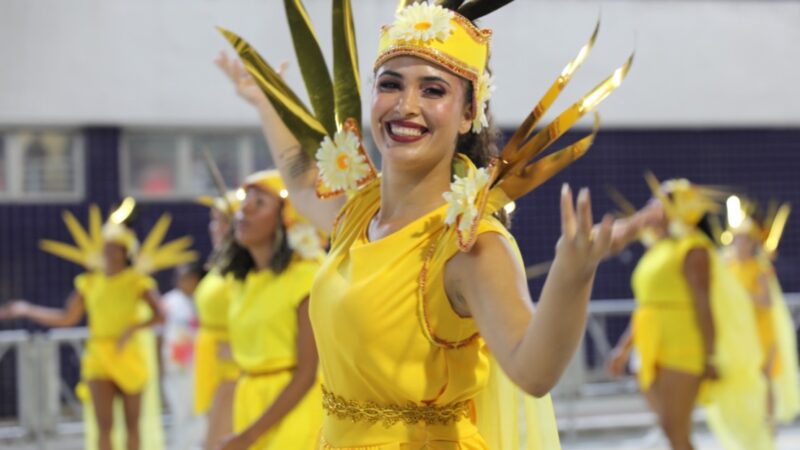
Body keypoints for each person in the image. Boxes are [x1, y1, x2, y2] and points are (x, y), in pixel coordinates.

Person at [216, 2, 643, 448]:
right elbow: (302, 181)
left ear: (467, 114)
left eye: (433, 90)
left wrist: (571, 277)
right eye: (391, 84)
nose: (406, 106)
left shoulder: (470, 245)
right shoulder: (360, 211)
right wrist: (265, 100)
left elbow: (532, 370)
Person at [0, 202, 195, 450]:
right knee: (105, 427)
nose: (110, 253)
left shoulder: (137, 281)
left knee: (132, 426)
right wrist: (27, 309)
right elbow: (67, 318)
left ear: (125, 252)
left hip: (129, 354)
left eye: (115, 248)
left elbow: (161, 315)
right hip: (99, 355)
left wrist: (132, 329)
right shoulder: (89, 282)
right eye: (107, 247)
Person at [608, 177, 772, 450]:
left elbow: (703, 304)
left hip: (681, 348)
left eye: (662, 201)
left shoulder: (693, 249)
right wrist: (624, 348)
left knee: (675, 429)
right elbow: (647, 306)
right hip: (650, 345)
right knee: (668, 428)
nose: (652, 206)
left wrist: (710, 355)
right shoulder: (658, 248)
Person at [216, 170, 325, 450]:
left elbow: (307, 373)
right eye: (244, 202)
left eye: (259, 203)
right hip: (250, 402)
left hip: (296, 406)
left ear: (287, 218)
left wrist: (249, 436)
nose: (244, 211)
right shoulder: (244, 281)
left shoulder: (306, 277)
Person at [723, 198, 799, 426]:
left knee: (764, 378)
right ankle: (747, 422)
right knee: (742, 378)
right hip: (739, 331)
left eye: (746, 240)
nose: (741, 244)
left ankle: (767, 425)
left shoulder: (760, 268)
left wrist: (742, 297)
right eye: (738, 239)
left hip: (761, 330)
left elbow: (766, 301)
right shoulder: (729, 267)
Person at [194, 192, 242, 450]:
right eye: (214, 221)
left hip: (233, 366)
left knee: (218, 442)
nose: (216, 228)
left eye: (224, 221)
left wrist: (237, 350)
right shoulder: (219, 264)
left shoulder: (244, 267)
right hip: (212, 361)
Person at [160, 263, 206, 450]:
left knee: (201, 412)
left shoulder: (205, 299)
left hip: (203, 365)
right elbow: (158, 335)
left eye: (188, 277)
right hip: (177, 367)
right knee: (180, 412)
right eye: (181, 277)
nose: (184, 281)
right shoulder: (168, 302)